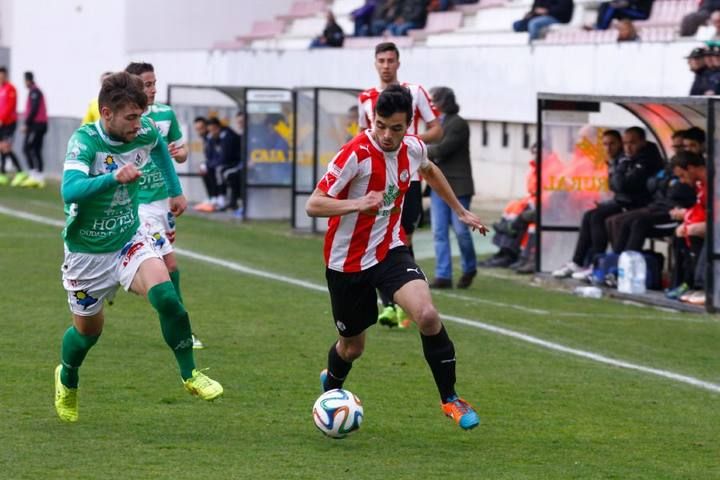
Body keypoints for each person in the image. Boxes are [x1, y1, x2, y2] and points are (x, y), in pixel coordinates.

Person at [305, 84, 487, 431]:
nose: (387, 135)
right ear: (373, 120)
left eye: (397, 129)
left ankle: (450, 399)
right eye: (381, 126)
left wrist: (460, 211)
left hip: (390, 250)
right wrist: (357, 203)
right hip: (347, 263)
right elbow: (314, 204)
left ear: (408, 127)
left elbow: (430, 169)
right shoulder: (353, 154)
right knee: (352, 348)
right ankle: (331, 387)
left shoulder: (414, 148)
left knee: (428, 315)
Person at [54, 72, 223, 423]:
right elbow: (69, 190)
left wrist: (175, 189)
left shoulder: (143, 131)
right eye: (130, 117)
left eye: (141, 115)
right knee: (88, 334)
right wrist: (112, 177)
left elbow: (160, 149)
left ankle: (190, 374)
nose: (139, 125)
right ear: (106, 114)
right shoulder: (85, 141)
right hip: (86, 253)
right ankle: (67, 377)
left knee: (167, 297)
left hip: (128, 238)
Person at [357, 41, 443, 327]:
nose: (386, 65)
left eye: (390, 60)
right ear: (374, 63)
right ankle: (393, 304)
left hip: (411, 179)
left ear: (398, 63)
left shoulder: (415, 92)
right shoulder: (366, 99)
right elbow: (362, 137)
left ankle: (405, 299)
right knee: (383, 240)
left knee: (401, 238)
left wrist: (410, 143)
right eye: (381, 60)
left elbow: (437, 129)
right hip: (378, 181)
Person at [125, 62, 204, 350]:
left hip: (164, 203)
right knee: (168, 263)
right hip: (140, 205)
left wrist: (179, 153)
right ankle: (182, 329)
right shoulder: (126, 120)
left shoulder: (166, 115)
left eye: (154, 83)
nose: (153, 89)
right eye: (146, 84)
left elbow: (181, 154)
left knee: (167, 266)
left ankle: (131, 278)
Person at [553, 127, 664, 279]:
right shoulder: (623, 160)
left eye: (632, 143)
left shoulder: (642, 159)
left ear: (642, 142)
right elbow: (615, 185)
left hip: (636, 205)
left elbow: (624, 185)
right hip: (626, 201)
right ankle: (578, 262)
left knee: (599, 217)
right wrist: (620, 176)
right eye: (626, 143)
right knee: (590, 215)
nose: (628, 147)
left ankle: (599, 265)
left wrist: (620, 171)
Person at [426, 86, 477, 289]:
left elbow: (443, 149)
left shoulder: (458, 124)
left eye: (434, 101)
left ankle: (469, 267)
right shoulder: (438, 123)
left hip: (458, 185)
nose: (432, 106)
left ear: (444, 102)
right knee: (439, 231)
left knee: (461, 231)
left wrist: (416, 146)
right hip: (438, 186)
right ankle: (443, 275)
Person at [665, 151, 707, 302]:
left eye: (682, 175)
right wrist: (687, 218)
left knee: (695, 230)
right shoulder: (700, 184)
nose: (682, 181)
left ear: (690, 168)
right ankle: (689, 282)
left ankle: (705, 286)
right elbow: (702, 210)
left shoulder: (714, 181)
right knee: (682, 231)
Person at [206, 117, 244, 215]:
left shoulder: (228, 136)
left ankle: (224, 199)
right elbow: (209, 155)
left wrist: (213, 164)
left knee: (221, 170)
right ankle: (214, 197)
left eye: (213, 130)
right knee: (207, 168)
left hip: (235, 163)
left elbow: (226, 157)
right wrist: (210, 164)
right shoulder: (211, 137)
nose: (212, 133)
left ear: (218, 128)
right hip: (224, 163)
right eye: (210, 130)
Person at [20, 71, 48, 188]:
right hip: (38, 124)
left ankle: (35, 175)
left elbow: (34, 109)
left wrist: (26, 124)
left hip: (37, 125)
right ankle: (38, 176)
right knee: (36, 149)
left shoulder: (34, 91)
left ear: (27, 80)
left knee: (28, 148)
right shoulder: (34, 91)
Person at [0, 66, 23, 187]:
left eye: (2, 76)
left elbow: (10, 106)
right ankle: (2, 173)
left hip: (9, 123)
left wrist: (2, 119)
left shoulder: (11, 89)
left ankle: (20, 172)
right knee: (2, 148)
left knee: (6, 147)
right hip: (1, 123)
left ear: (6, 76)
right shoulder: (1, 88)